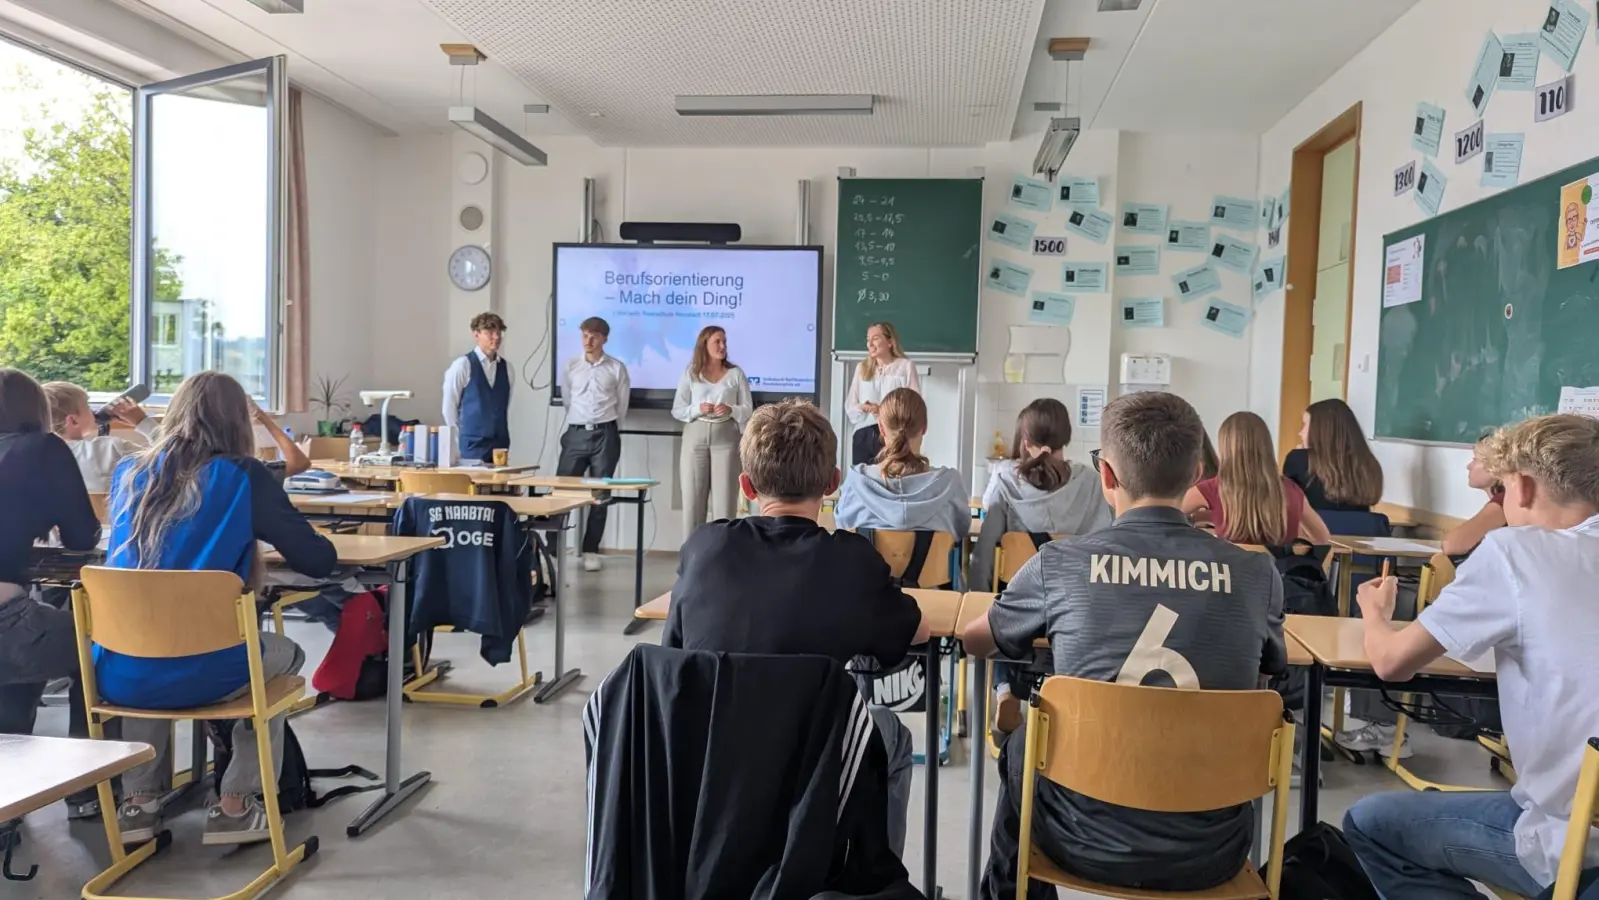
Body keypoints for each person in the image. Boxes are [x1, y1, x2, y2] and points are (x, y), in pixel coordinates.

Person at [961, 391, 1286, 897]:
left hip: (1078, 837)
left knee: (1027, 740)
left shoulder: (1060, 565)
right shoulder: (1255, 572)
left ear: (1107, 476)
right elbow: (1274, 669)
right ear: (1199, 471)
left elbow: (976, 640)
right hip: (1214, 849)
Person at [1343, 414, 1599, 900]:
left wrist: (1375, 613)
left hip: (1574, 842)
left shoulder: (1514, 552)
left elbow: (1392, 663)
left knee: (1371, 824)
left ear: (1521, 486)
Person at [664, 398, 927, 857]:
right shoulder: (852, 563)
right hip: (810, 764)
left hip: (713, 759)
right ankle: (873, 882)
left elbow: (674, 657)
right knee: (891, 734)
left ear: (746, 486)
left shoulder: (703, 550)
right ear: (833, 484)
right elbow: (906, 635)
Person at [104, 372, 336, 847]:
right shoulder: (243, 477)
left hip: (114, 670)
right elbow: (317, 561)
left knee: (150, 644)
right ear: (236, 421)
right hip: (208, 669)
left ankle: (138, 803)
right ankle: (237, 802)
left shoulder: (128, 472)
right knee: (283, 656)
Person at [973, 399, 1114, 733]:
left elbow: (983, 552)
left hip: (1023, 606)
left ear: (1024, 442)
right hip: (1078, 608)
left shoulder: (1005, 480)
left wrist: (977, 598)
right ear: (1066, 437)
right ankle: (1063, 688)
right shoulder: (1091, 481)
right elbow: (1104, 544)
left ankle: (1005, 687)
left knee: (1004, 606)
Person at [0, 369, 102, 821]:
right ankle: (88, 788)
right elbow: (82, 536)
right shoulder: (41, 448)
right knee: (103, 642)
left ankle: (12, 791)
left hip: (16, 621)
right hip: (7, 621)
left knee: (36, 632)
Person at [834, 388, 968, 546]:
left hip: (866, 571)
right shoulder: (950, 484)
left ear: (881, 429)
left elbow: (842, 527)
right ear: (924, 428)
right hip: (931, 571)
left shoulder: (856, 482)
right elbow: (960, 532)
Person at [1183, 411, 1331, 546]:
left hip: (1233, 574)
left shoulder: (1211, 489)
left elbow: (1162, 516)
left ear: (1225, 448)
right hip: (1278, 574)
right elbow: (1322, 538)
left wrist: (1204, 518)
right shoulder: (1291, 490)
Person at [559, 316, 630, 572]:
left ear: (604, 339)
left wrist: (606, 428)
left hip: (605, 433)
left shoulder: (616, 368)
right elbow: (568, 400)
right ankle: (553, 547)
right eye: (585, 335)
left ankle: (591, 549)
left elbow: (621, 407)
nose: (588, 341)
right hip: (576, 432)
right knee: (562, 490)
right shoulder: (570, 367)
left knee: (601, 496)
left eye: (594, 337)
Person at [671, 325, 752, 535]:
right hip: (694, 439)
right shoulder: (691, 373)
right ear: (704, 345)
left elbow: (748, 410)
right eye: (717, 341)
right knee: (692, 503)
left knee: (725, 505)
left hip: (726, 440)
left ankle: (722, 555)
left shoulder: (735, 374)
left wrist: (730, 409)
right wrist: (697, 408)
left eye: (724, 341)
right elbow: (677, 409)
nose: (723, 346)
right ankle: (691, 558)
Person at [42, 382, 158, 492]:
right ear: (73, 420)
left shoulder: (33, 459)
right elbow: (169, 459)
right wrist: (142, 422)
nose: (94, 411)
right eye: (87, 406)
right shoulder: (113, 448)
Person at [1283, 398, 1384, 511]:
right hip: (1359, 529)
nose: (1300, 433)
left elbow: (1287, 507)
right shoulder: (1368, 464)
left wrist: (1300, 454)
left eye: (1305, 425)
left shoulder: (1298, 460)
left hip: (1316, 528)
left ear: (1320, 430)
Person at [845, 322, 920, 467]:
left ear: (890, 342)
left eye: (875, 338)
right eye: (868, 339)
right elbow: (850, 407)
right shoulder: (862, 368)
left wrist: (884, 411)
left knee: (890, 480)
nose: (870, 344)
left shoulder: (905, 367)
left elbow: (915, 406)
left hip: (894, 435)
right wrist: (864, 407)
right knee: (863, 481)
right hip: (864, 434)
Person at [443, 312, 513, 464]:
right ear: (476, 334)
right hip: (471, 446)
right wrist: (456, 445)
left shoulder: (507, 368)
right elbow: (449, 408)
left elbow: (503, 406)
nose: (496, 337)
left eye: (498, 332)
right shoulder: (463, 365)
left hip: (500, 446)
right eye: (489, 333)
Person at [1440, 432, 1508, 557]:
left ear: (1494, 467)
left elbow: (1451, 545)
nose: (1469, 466)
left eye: (1475, 460)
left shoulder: (1505, 501)